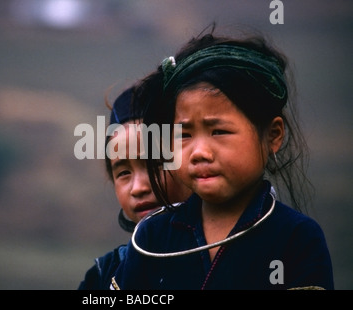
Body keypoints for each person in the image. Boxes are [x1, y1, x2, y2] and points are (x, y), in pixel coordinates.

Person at [110, 28, 334, 290]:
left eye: (219, 131)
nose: (200, 152)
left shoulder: (295, 238)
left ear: (273, 135)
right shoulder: (152, 237)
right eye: (184, 134)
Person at [77, 85, 192, 290]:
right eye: (123, 173)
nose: (138, 188)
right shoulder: (103, 276)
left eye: (155, 164)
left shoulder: (228, 255)